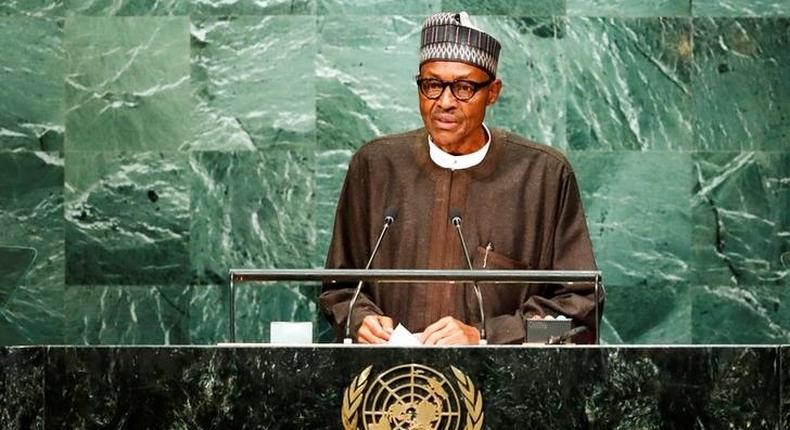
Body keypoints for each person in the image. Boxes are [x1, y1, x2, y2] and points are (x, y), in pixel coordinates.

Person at [320, 12, 602, 345]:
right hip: (392, 387)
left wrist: (486, 336)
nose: (445, 102)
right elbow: (337, 292)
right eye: (432, 85)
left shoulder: (544, 176)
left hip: (504, 390)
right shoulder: (376, 166)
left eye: (464, 87)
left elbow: (579, 320)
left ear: (493, 92)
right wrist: (359, 320)